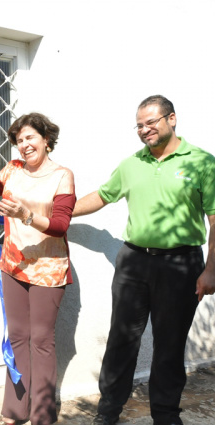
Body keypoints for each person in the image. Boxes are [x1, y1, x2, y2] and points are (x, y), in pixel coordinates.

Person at [73, 95, 215, 425]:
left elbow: (214, 218)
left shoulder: (202, 163)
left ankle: (165, 417)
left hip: (181, 266)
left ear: (172, 119)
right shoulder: (132, 163)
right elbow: (101, 196)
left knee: (169, 346)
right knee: (121, 340)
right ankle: (107, 413)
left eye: (151, 122)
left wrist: (211, 268)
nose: (144, 129)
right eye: (139, 125)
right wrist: (57, 212)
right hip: (133, 263)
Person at [0, 113, 76, 425]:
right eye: (19, 140)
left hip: (48, 268)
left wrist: (25, 214)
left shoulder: (62, 175)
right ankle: (15, 411)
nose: (24, 145)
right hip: (13, 265)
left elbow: (60, 225)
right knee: (17, 336)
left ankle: (43, 416)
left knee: (41, 340)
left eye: (30, 137)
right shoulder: (12, 170)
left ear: (47, 139)